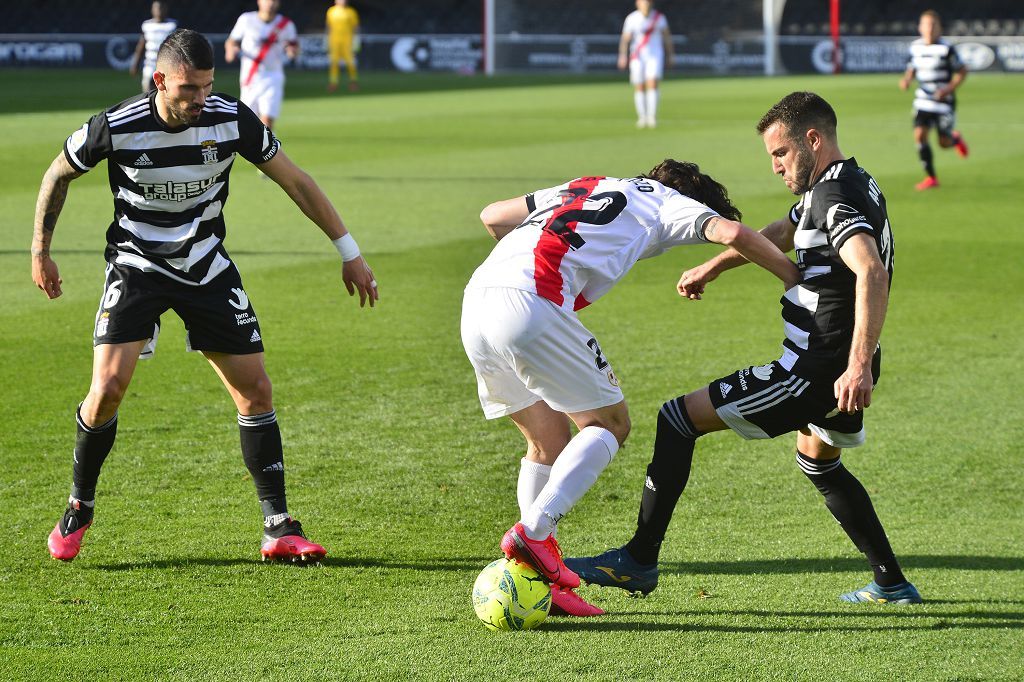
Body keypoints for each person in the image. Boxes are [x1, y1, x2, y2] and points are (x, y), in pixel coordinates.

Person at [32, 29, 378, 564]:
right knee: (108, 388)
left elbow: (297, 182)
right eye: (189, 89)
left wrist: (349, 251)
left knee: (256, 391)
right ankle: (80, 504)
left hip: (205, 265)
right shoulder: (116, 126)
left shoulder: (231, 119)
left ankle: (278, 526)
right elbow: (57, 175)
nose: (200, 100)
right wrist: (40, 251)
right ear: (160, 80)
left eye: (208, 87)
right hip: (137, 265)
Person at [566, 92, 922, 606]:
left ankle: (638, 560)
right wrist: (715, 265)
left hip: (816, 367)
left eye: (781, 154)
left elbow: (870, 270)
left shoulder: (832, 196)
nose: (775, 166)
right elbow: (785, 230)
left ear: (813, 140)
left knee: (676, 419)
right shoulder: (845, 181)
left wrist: (856, 366)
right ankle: (891, 583)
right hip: (841, 360)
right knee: (818, 462)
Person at [461, 161, 800, 616]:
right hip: (530, 299)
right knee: (610, 424)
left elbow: (492, 216)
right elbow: (733, 233)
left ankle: (535, 577)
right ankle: (534, 532)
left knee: (547, 444)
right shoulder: (669, 203)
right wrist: (794, 278)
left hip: (477, 298)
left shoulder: (591, 184)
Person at [898, 9, 969, 191]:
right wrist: (907, 79)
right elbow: (912, 68)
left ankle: (954, 139)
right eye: (926, 25)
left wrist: (948, 89)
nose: (929, 29)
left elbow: (962, 71)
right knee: (920, 136)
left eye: (933, 25)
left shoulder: (946, 48)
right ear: (920, 28)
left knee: (943, 143)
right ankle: (931, 177)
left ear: (939, 28)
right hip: (923, 100)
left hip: (944, 103)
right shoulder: (915, 47)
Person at [225, 0, 299, 132]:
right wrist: (231, 51)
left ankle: (266, 150)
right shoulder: (246, 20)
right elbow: (232, 41)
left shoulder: (285, 24)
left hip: (273, 76)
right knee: (247, 120)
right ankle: (253, 149)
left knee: (267, 120)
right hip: (250, 77)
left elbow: (293, 44)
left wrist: (292, 51)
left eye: (274, 1)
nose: (270, 4)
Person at [619, 0, 673, 129]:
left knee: (652, 83)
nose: (646, 4)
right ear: (638, 3)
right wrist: (622, 55)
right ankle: (642, 117)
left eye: (648, 2)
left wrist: (670, 55)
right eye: (643, 2)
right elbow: (625, 39)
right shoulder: (632, 18)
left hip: (654, 55)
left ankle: (652, 116)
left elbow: (667, 37)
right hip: (637, 56)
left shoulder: (659, 18)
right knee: (639, 86)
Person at [128, 1, 177, 93]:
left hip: (167, 65)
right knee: (148, 92)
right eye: (157, 8)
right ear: (152, 10)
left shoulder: (172, 25)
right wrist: (135, 64)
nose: (159, 11)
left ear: (166, 9)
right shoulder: (147, 25)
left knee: (166, 91)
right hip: (150, 65)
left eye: (162, 8)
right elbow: (141, 46)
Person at [326, 0, 360, 92]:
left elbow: (355, 27)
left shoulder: (351, 12)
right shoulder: (331, 11)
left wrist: (356, 41)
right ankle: (333, 83)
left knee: (350, 63)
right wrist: (326, 41)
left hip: (348, 42)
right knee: (334, 63)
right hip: (334, 41)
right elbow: (328, 27)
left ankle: (353, 82)